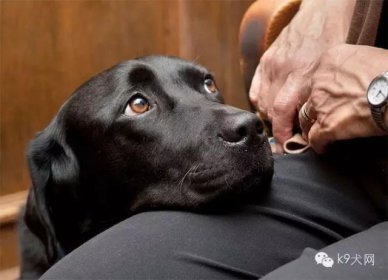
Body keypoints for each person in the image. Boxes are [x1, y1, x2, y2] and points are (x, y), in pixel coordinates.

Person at [40, 0, 387, 279]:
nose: (241, 120)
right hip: (348, 166)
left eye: (207, 87)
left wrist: (380, 89)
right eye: (140, 104)